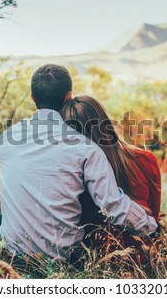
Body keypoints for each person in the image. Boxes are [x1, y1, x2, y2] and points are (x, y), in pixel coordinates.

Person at [0, 64, 158, 261]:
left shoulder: (6, 139)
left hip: (11, 253)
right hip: (63, 258)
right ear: (68, 96)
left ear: (32, 97)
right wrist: (151, 229)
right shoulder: (86, 148)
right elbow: (113, 205)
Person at [60, 95, 161, 251]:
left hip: (98, 261)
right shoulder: (146, 159)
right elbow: (154, 219)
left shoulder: (73, 172)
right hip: (145, 255)